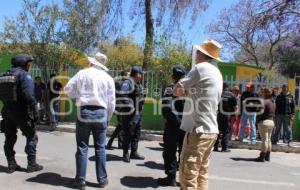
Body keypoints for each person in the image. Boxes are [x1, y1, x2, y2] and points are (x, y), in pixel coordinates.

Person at [173, 39, 223, 190]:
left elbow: (177, 89)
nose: (195, 55)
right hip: (211, 130)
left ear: (202, 54)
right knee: (202, 173)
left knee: (188, 174)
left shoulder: (200, 68)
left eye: (198, 52)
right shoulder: (217, 72)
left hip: (198, 131)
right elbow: (202, 93)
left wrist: (181, 90)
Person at [64, 52, 115, 189]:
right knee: (100, 148)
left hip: (84, 112)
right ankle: (102, 180)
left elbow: (68, 88)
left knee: (82, 147)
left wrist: (78, 96)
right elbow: (112, 102)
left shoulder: (82, 73)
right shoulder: (108, 78)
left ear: (92, 62)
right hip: (102, 113)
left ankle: (80, 181)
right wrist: (108, 118)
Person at [0, 54, 43, 173]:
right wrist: (35, 111)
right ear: (23, 63)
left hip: (7, 111)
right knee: (31, 136)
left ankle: (11, 164)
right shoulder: (24, 75)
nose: (29, 65)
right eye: (28, 63)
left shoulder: (3, 75)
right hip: (22, 112)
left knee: (9, 138)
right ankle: (31, 164)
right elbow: (29, 96)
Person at [157, 65, 186, 186]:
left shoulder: (170, 88)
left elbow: (167, 106)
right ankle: (185, 179)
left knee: (170, 151)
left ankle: (171, 177)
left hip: (173, 124)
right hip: (186, 124)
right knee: (184, 151)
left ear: (173, 75)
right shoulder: (189, 88)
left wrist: (169, 119)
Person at [119, 66, 146, 163]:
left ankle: (134, 152)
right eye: (140, 73)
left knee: (137, 133)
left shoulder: (138, 84)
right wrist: (130, 106)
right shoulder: (128, 82)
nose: (142, 75)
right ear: (137, 74)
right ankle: (125, 153)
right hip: (129, 113)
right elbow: (123, 95)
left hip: (138, 113)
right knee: (128, 132)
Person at [106, 70, 130, 150]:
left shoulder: (118, 82)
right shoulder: (122, 84)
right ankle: (110, 142)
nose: (130, 76)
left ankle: (120, 144)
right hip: (121, 106)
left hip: (119, 106)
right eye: (129, 75)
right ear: (125, 75)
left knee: (121, 125)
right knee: (120, 125)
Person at [214, 83, 237, 152]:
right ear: (228, 87)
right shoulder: (232, 95)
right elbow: (235, 107)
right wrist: (235, 116)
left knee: (217, 131)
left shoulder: (218, 94)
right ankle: (224, 148)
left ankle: (215, 147)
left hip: (218, 114)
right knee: (226, 131)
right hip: (227, 115)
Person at [256, 87, 275, 162]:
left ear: (266, 93)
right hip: (271, 122)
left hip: (264, 122)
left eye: (263, 92)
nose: (262, 94)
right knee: (269, 139)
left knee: (264, 140)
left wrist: (258, 120)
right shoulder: (273, 102)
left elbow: (261, 112)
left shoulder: (264, 101)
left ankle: (262, 156)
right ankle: (268, 156)